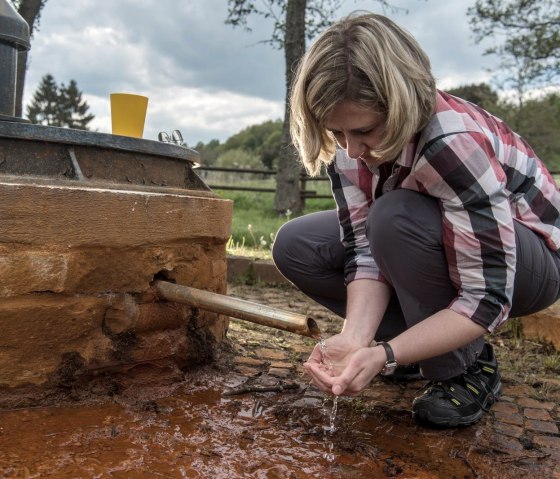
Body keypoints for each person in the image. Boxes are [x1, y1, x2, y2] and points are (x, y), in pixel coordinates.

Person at [272, 12, 560, 428]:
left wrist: (387, 353)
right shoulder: (350, 146)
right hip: (434, 240)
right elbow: (365, 251)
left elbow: (487, 296)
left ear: (402, 105)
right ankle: (412, 346)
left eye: (364, 131)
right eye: (337, 134)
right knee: (297, 246)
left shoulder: (452, 143)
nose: (350, 151)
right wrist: (356, 338)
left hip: (530, 264)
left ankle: (465, 368)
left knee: (394, 216)